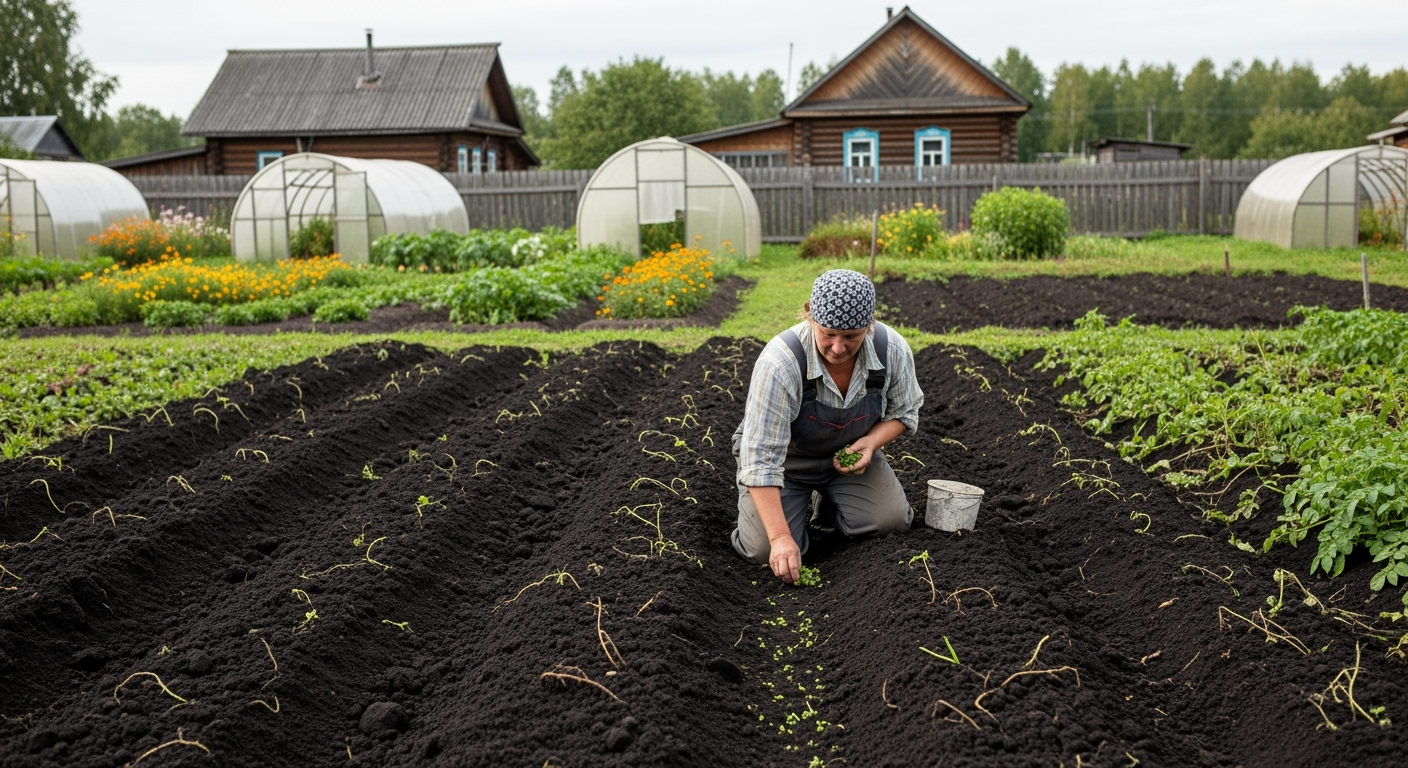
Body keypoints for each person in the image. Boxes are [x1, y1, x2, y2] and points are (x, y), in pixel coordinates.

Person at [731, 269, 923, 583]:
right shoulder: (780, 363)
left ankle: (832, 506)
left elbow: (906, 411)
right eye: (827, 333)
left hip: (846, 460)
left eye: (851, 336)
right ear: (810, 317)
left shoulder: (891, 350)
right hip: (785, 465)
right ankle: (776, 514)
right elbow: (761, 459)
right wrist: (780, 538)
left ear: (868, 326)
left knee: (891, 521)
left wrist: (871, 442)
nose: (837, 347)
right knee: (765, 550)